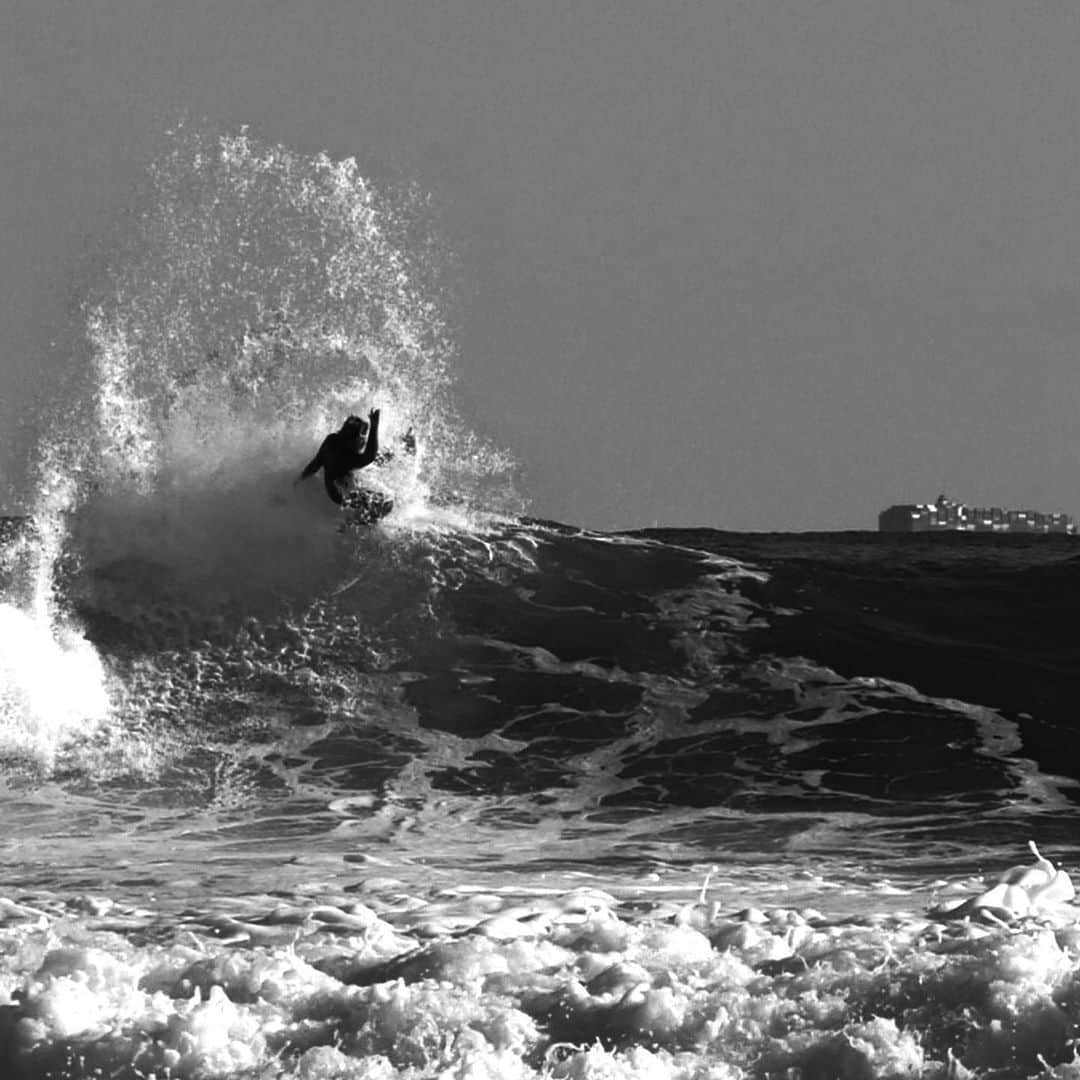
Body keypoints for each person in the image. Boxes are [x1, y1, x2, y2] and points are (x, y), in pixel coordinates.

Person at [298, 410, 382, 505]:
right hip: (340, 495)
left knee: (379, 458)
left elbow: (315, 464)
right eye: (362, 436)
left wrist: (299, 479)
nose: (364, 441)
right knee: (380, 502)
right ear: (352, 440)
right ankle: (360, 518)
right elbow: (369, 456)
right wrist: (374, 426)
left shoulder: (331, 440)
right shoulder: (347, 458)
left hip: (335, 482)